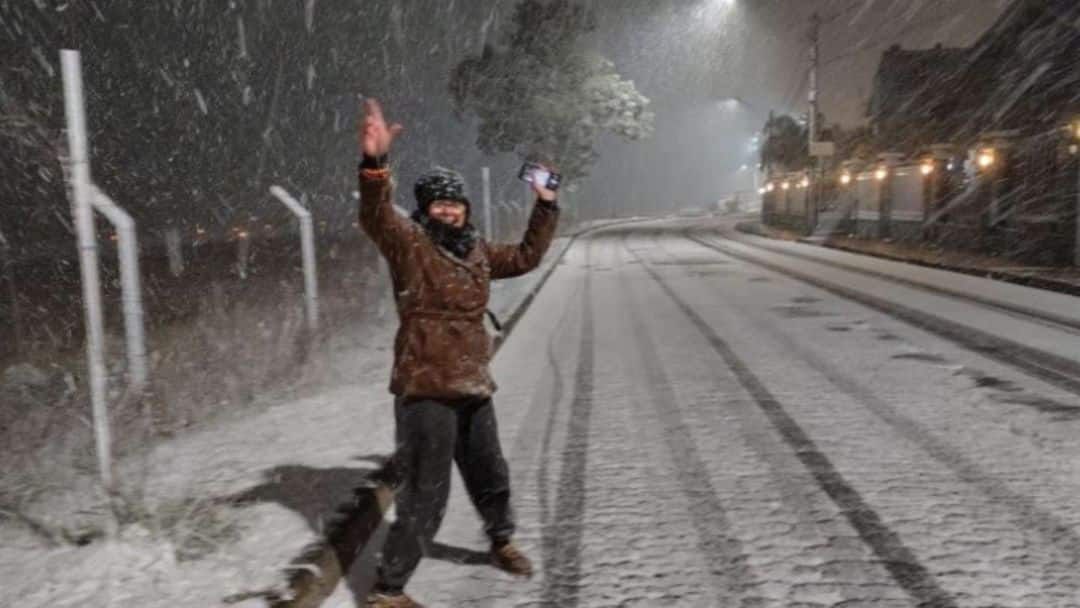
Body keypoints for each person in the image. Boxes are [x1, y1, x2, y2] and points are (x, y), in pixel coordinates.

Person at [357, 99, 560, 608]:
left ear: (466, 208)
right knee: (428, 493)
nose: (448, 209)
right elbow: (376, 215)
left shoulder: (476, 250)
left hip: (472, 381)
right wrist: (375, 166)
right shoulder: (410, 244)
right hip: (425, 385)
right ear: (423, 210)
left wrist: (545, 205)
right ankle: (389, 589)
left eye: (455, 202)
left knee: (491, 472)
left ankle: (502, 540)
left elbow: (527, 257)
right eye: (437, 203)